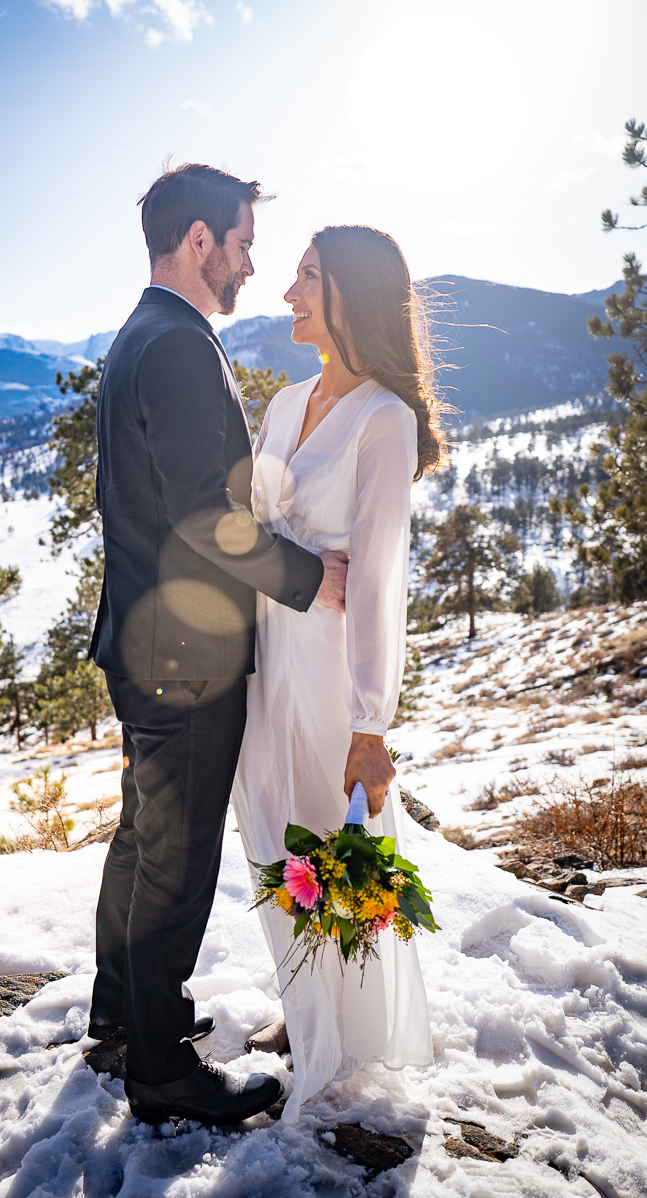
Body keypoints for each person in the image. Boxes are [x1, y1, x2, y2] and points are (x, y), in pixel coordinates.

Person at [86, 164, 348, 1126]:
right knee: (178, 857)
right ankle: (159, 1065)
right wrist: (312, 579)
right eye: (241, 243)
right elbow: (209, 520)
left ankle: (121, 1020)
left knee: (144, 840)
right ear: (198, 241)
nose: (251, 263)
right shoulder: (181, 348)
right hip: (185, 657)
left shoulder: (141, 335)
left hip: (145, 643)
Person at [233, 225, 446, 1124]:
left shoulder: (386, 422)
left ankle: (345, 1036)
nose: (288, 291)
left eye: (309, 277)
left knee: (333, 844)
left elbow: (381, 580)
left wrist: (371, 721)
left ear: (351, 296)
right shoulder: (285, 406)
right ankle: (302, 1008)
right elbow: (249, 532)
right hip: (260, 666)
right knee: (272, 841)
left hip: (329, 676)